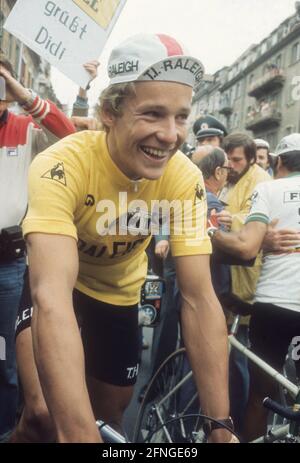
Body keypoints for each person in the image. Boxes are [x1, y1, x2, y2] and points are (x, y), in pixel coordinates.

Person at [13, 33, 235, 443]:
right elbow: (52, 296)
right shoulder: (63, 164)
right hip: (64, 287)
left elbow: (199, 297)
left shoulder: (183, 177)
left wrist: (219, 427)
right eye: (152, 114)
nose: (170, 135)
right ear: (109, 113)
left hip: (118, 297)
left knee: (110, 419)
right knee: (44, 416)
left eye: (181, 117)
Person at [0, 56, 75, 442]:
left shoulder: (24, 127)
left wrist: (23, 95)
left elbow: (70, 135)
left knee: (6, 363)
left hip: (8, 263)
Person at [210, 133, 300, 441]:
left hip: (273, 303)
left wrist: (210, 233)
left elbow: (246, 248)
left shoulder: (269, 188)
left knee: (260, 395)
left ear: (279, 162)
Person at [219, 132, 271, 433]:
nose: (231, 164)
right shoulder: (236, 177)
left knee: (242, 358)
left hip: (249, 277)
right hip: (232, 273)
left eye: (237, 159)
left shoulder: (260, 181)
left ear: (251, 157)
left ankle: (236, 424)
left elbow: (260, 221)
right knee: (232, 353)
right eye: (229, 160)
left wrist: (229, 217)